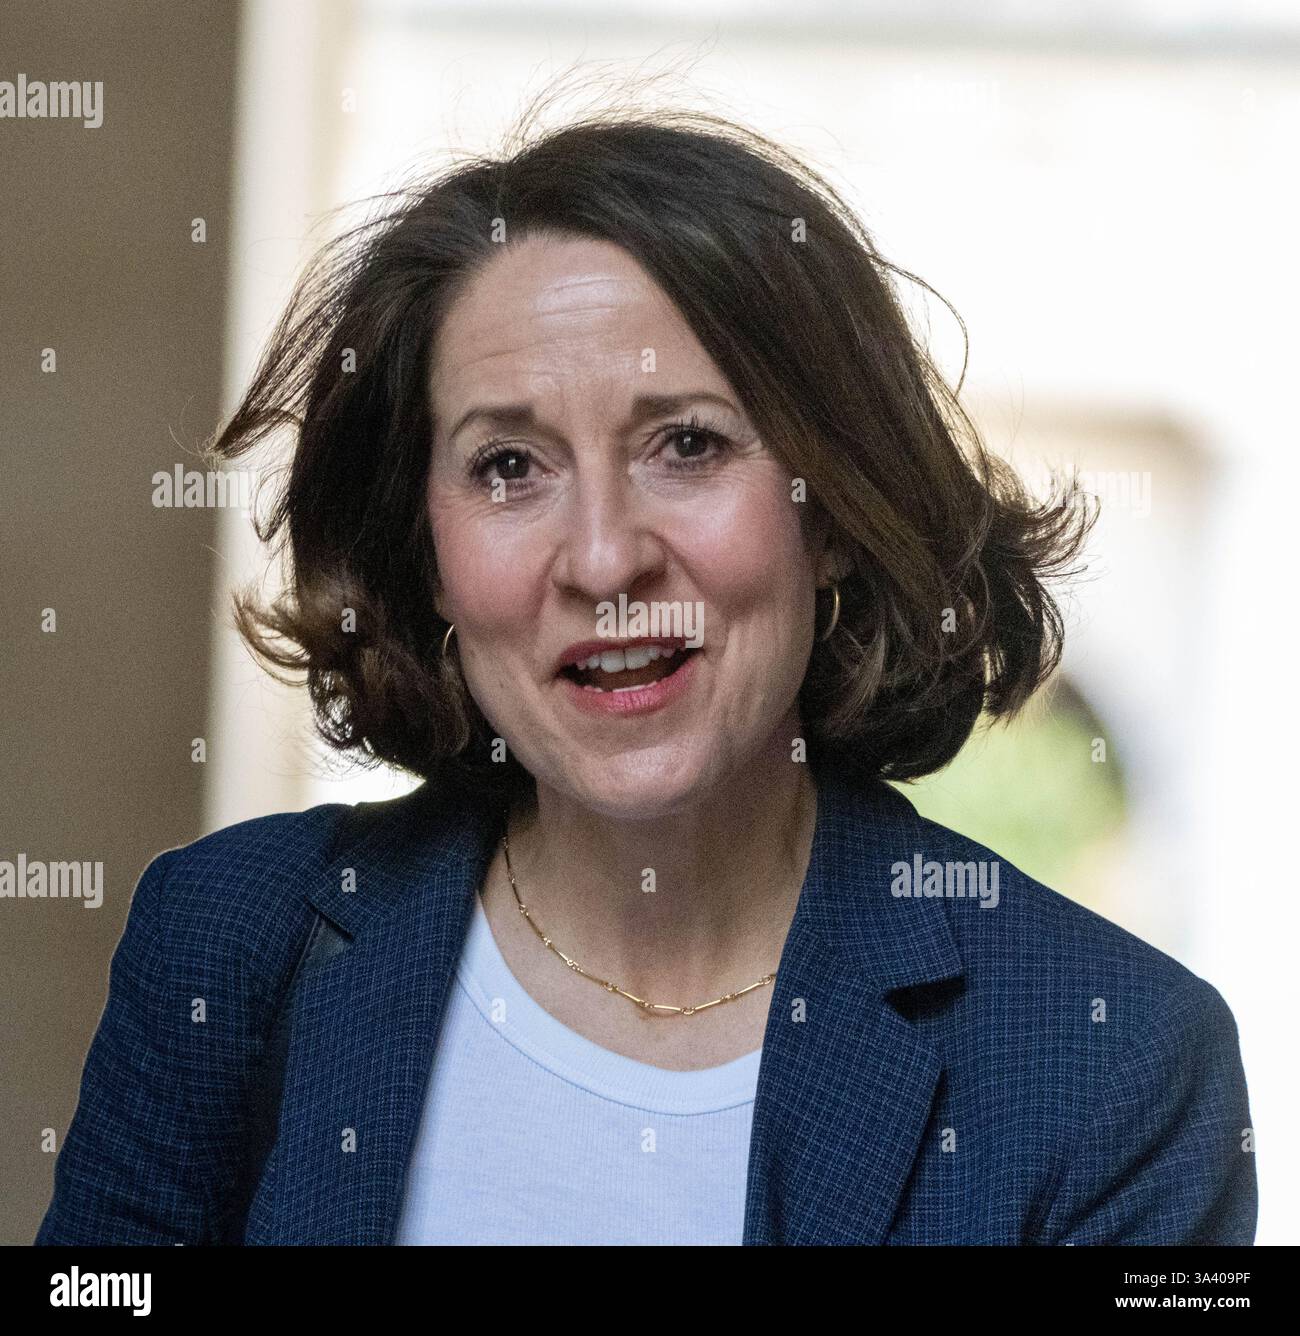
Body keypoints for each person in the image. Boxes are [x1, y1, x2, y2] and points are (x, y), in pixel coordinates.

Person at [36, 107, 1255, 1245]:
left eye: (687, 444)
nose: (605, 555)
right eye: (509, 464)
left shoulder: (1114, 1064)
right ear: (429, 558)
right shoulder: (228, 947)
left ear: (828, 512)